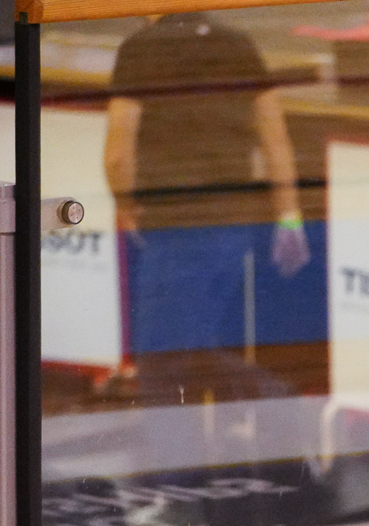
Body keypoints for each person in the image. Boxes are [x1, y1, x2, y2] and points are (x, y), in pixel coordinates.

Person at [105, 12, 308, 372]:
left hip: (174, 224)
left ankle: (277, 405)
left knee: (161, 362)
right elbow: (275, 140)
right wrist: (289, 219)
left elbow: (118, 156)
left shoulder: (140, 49)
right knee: (201, 347)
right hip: (233, 224)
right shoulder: (237, 43)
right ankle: (269, 408)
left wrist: (127, 206)